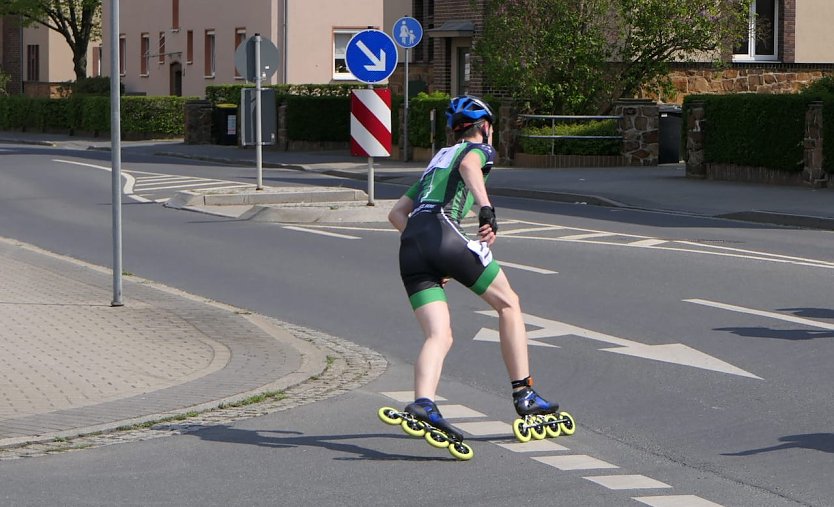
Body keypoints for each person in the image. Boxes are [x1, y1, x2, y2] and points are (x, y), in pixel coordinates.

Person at [387, 95, 559, 438]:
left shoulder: (436, 162)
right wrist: (486, 209)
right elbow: (469, 168)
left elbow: (396, 214)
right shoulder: (478, 149)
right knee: (509, 303)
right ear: (485, 127)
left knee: (439, 334)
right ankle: (524, 392)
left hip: (411, 247)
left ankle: (423, 402)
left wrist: (429, 251)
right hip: (443, 234)